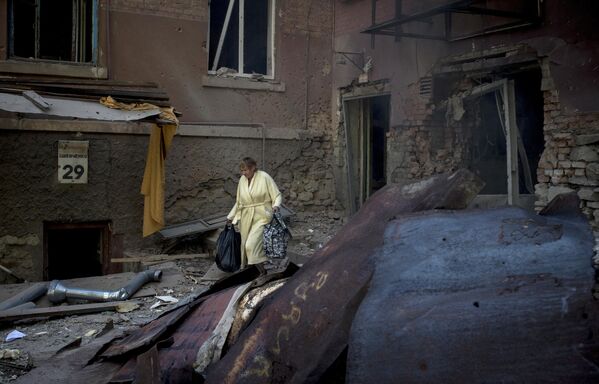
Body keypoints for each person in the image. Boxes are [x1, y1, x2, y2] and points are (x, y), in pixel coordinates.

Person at [227, 157, 282, 274]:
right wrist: (230, 217)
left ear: (253, 168)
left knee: (250, 245)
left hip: (262, 216)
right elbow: (239, 202)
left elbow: (276, 195)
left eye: (245, 170)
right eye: (241, 171)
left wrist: (276, 206)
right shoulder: (242, 180)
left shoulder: (264, 177)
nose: (243, 173)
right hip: (246, 217)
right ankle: (258, 270)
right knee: (246, 245)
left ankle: (263, 271)